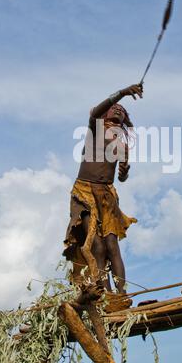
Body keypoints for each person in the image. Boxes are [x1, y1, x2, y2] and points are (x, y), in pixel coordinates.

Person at [63, 84, 143, 293]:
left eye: (123, 110)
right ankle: (104, 294)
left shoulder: (123, 146)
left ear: (125, 121)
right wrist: (123, 93)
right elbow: (95, 111)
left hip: (107, 195)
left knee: (111, 245)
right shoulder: (96, 128)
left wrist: (125, 171)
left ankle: (122, 293)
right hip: (85, 191)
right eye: (114, 107)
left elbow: (122, 178)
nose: (118, 109)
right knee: (96, 246)